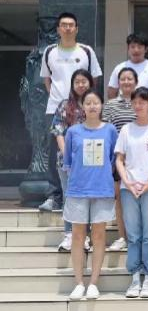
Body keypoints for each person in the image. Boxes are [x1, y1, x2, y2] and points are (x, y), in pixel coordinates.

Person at [39, 12, 102, 212]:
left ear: (76, 28)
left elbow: (93, 79)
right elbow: (47, 79)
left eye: (71, 25)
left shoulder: (86, 51)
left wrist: (85, 101)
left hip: (83, 108)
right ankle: (54, 195)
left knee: (86, 148)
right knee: (54, 152)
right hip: (56, 108)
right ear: (58, 29)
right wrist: (60, 100)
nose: (67, 28)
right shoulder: (50, 51)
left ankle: (87, 189)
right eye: (64, 25)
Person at [63, 89, 118, 301]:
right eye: (88, 103)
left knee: (99, 235)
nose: (92, 106)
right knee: (78, 235)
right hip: (78, 189)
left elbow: (113, 159)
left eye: (96, 102)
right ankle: (78, 282)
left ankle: (94, 282)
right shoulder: (73, 132)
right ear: (82, 106)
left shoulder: (110, 130)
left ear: (102, 105)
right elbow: (68, 161)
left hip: (102, 189)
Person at [115, 87, 148, 299]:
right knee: (133, 235)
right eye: (135, 102)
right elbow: (119, 159)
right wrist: (127, 182)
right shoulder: (126, 129)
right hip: (129, 188)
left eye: (142, 102)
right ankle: (135, 276)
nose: (138, 105)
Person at [51, 69, 94, 253]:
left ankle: (85, 236)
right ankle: (69, 234)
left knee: (87, 198)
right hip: (67, 162)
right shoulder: (64, 105)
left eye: (84, 81)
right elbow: (58, 131)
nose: (81, 84)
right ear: (72, 85)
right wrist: (68, 156)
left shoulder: (94, 104)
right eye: (77, 82)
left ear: (90, 83)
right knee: (70, 197)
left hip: (90, 161)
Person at [102, 67, 139, 252]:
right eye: (123, 79)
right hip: (118, 157)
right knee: (120, 199)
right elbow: (106, 132)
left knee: (138, 197)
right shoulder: (110, 105)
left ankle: (137, 236)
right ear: (118, 83)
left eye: (129, 78)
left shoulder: (142, 101)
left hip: (139, 158)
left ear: (136, 82)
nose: (126, 82)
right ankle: (123, 236)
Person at [107, 33, 148, 113]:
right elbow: (111, 91)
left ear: (146, 49)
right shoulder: (119, 68)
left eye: (139, 47)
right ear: (128, 48)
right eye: (132, 47)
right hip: (124, 113)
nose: (136, 50)